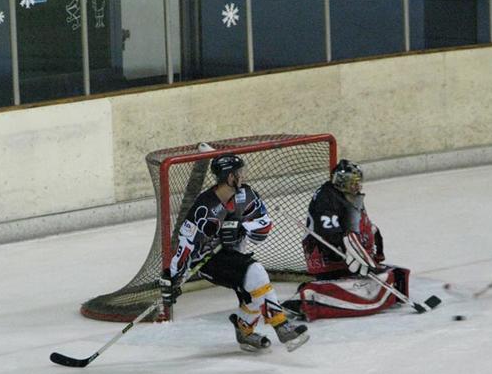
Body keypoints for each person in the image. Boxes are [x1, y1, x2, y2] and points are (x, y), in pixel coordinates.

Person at [160, 144, 309, 352]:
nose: (243, 176)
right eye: (240, 172)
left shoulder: (246, 194)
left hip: (233, 254)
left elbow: (264, 227)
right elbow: (186, 244)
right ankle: (282, 326)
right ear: (230, 177)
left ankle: (244, 332)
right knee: (256, 272)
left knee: (253, 291)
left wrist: (241, 227)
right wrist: (172, 277)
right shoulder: (204, 208)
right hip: (208, 260)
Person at [290, 159, 410, 321]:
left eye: (358, 182)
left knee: (388, 270)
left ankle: (358, 275)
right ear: (341, 181)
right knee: (370, 278)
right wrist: (348, 253)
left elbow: (359, 225)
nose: (357, 186)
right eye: (352, 182)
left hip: (350, 256)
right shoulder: (326, 197)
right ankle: (312, 295)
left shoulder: (350, 195)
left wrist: (371, 250)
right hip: (329, 259)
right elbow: (330, 237)